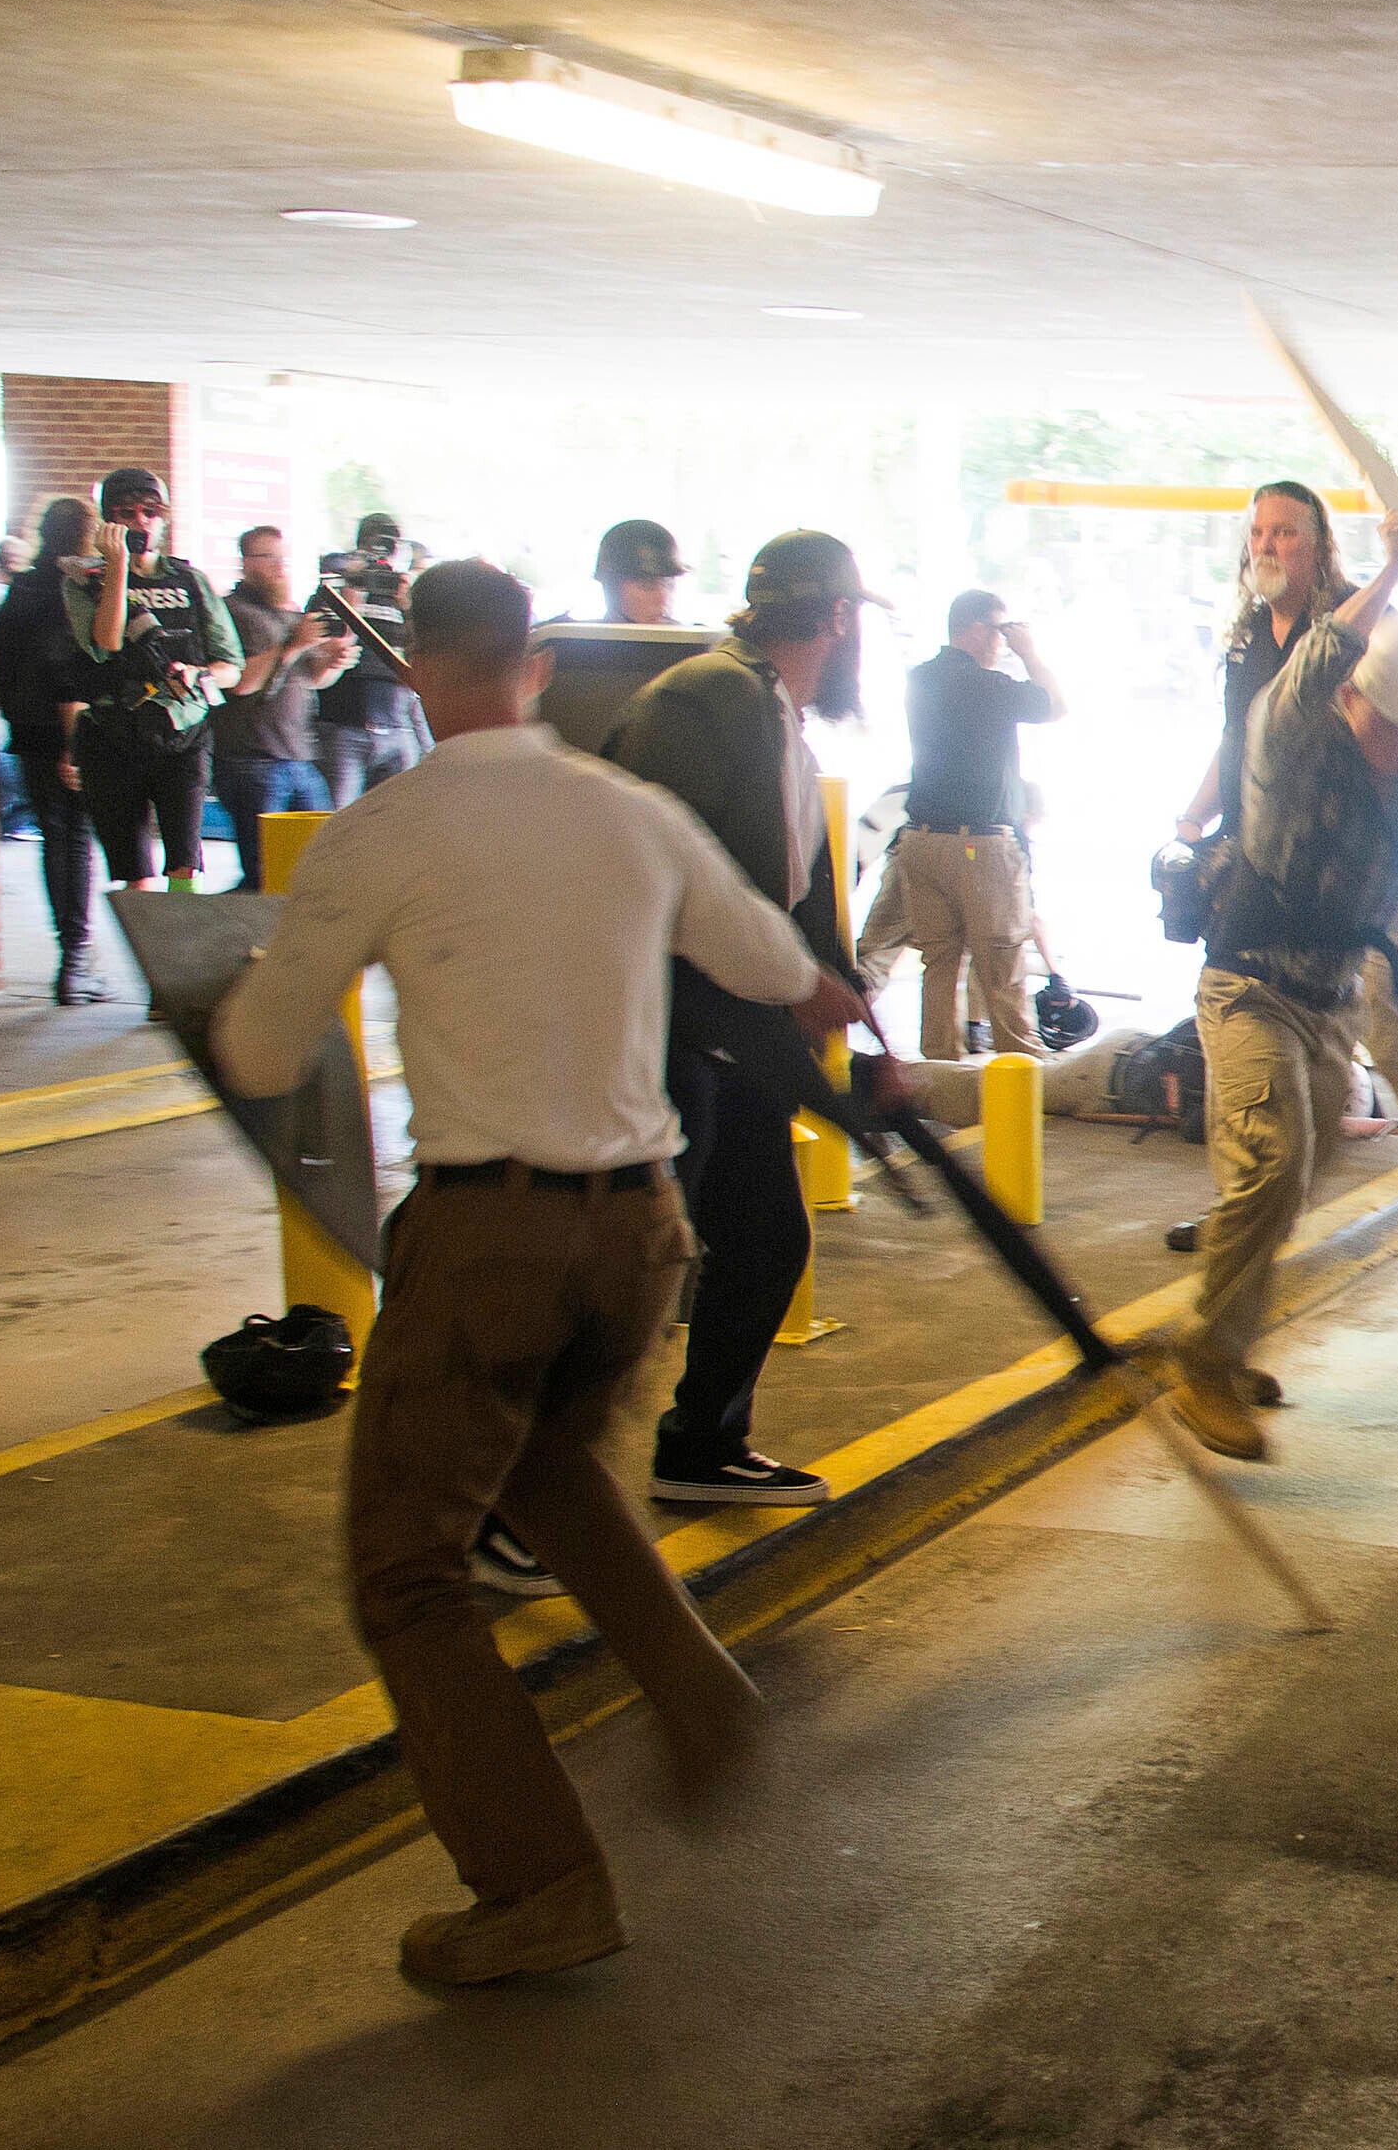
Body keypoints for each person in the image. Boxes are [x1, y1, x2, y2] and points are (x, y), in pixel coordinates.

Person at [214, 558, 858, 1985]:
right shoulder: (633, 812)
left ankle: (539, 1881)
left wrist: (227, 1000)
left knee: (406, 1572)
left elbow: (264, 1054)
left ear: (417, 671)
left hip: (488, 1236)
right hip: (638, 1237)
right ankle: (699, 1689)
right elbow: (772, 966)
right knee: (546, 1463)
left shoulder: (384, 829)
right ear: (539, 668)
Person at [1163, 534, 1398, 1456]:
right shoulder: (1289, 738)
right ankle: (1201, 1363)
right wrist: (1392, 570)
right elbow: (1318, 647)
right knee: (1273, 1162)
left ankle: (1226, 1343)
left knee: (1291, 1180)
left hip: (1328, 1007)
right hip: (1248, 988)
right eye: (1389, 725)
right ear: (1350, 695)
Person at [603, 530, 887, 1506]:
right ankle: (534, 1487)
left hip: (730, 1036)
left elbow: (786, 885)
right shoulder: (705, 702)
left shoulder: (770, 715)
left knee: (764, 1238)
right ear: (841, 621)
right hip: (667, 1035)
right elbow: (663, 883)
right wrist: (790, 981)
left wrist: (830, 976)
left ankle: (700, 1446)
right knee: (631, 1273)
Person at [884, 589, 1065, 1059]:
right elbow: (1054, 704)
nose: (1002, 644)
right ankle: (1022, 1075)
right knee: (1002, 964)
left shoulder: (919, 680)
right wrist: (1030, 652)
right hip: (978, 847)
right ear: (975, 629)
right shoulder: (985, 685)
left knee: (939, 964)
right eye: (999, 632)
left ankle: (941, 1076)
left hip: (920, 843)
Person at [62, 465, 240, 892]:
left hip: (182, 732)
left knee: (184, 864)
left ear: (163, 517)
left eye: (149, 511)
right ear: (109, 521)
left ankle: (183, 954)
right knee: (135, 874)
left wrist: (198, 674)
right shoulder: (84, 581)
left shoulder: (190, 581)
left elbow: (231, 666)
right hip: (114, 734)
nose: (139, 521)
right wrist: (118, 565)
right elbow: (105, 640)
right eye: (125, 512)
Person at [0, 499, 102, 1002]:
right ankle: (76, 961)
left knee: (57, 837)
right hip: (68, 727)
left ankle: (73, 956)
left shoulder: (22, 587)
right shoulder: (73, 585)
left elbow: (0, 667)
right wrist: (74, 744)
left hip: (27, 728)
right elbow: (66, 667)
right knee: (74, 840)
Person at [209, 525, 349, 893]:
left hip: (298, 758)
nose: (278, 566)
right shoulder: (232, 611)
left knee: (320, 865)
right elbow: (241, 683)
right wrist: (292, 646)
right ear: (245, 563)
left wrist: (332, 661)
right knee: (263, 875)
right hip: (252, 760)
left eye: (282, 557)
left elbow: (312, 680)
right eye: (268, 557)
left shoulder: (288, 613)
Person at [316, 510, 426, 805]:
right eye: (377, 543)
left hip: (397, 724)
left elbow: (423, 654)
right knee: (338, 822)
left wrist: (408, 607)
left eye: (391, 545)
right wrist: (353, 598)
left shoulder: (401, 591)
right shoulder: (336, 587)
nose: (383, 554)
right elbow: (321, 654)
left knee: (400, 823)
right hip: (345, 725)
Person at [592, 518, 689, 624]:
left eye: (669, 585)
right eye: (647, 586)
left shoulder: (692, 639)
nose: (663, 599)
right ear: (611, 586)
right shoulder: (578, 637)